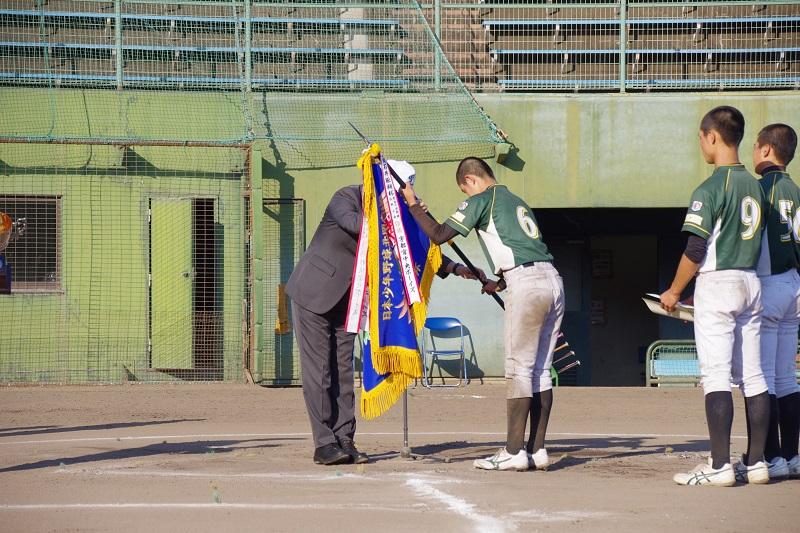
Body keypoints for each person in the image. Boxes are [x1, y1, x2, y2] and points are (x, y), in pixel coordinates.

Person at [286, 183, 481, 466]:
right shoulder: (347, 196)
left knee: (342, 371)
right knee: (320, 372)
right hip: (314, 292)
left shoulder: (397, 210)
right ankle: (324, 443)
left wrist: (457, 268)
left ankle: (345, 438)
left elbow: (415, 246)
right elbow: (358, 225)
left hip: (350, 303)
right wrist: (396, 214)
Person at [400, 157, 564, 472]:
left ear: (472, 181)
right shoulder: (517, 201)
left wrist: (412, 204)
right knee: (540, 370)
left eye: (465, 188)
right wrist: (499, 282)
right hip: (552, 280)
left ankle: (514, 452)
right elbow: (525, 249)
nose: (467, 193)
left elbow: (438, 234)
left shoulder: (482, 199)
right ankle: (537, 450)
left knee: (518, 370)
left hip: (526, 285)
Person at [660, 106, 771, 486]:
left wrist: (674, 291)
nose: (700, 144)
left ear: (711, 137)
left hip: (718, 283)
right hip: (752, 282)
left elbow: (695, 249)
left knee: (716, 375)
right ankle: (757, 463)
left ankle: (720, 465)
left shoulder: (710, 187)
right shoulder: (756, 185)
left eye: (700, 137)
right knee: (754, 376)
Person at [752, 123, 800, 479]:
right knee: (787, 377)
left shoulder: (761, 189)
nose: (753, 152)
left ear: (767, 150)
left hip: (768, 285)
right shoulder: (795, 190)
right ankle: (792, 455)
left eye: (756, 146)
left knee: (764, 378)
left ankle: (770, 458)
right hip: (794, 285)